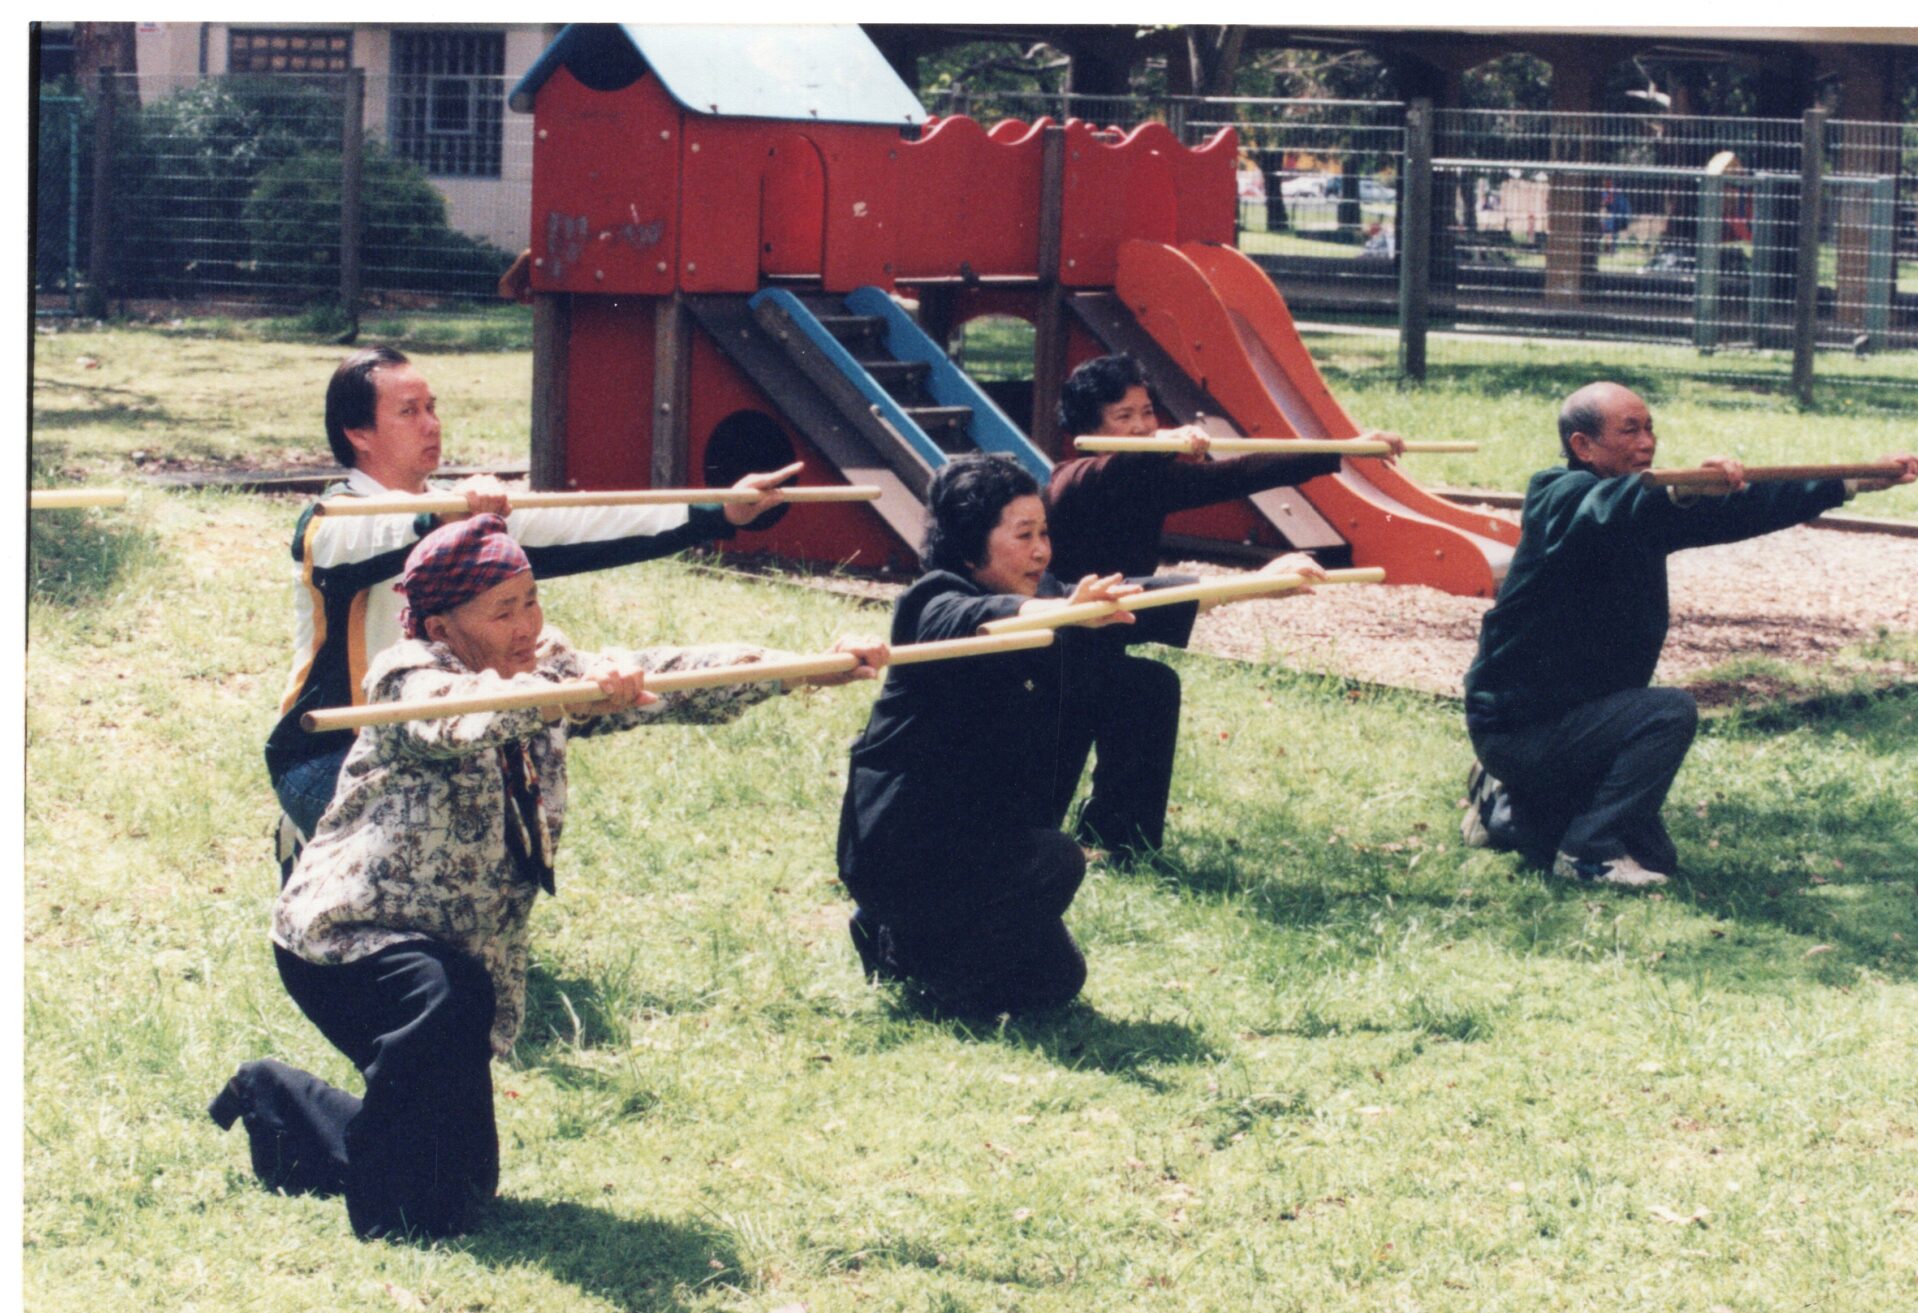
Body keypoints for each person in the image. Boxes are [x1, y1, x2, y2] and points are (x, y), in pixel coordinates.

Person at [213, 514, 883, 1240]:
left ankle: (277, 1101)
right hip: (344, 939)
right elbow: (463, 720)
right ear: (441, 626)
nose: (526, 624)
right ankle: (391, 1222)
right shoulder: (405, 677)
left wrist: (805, 667)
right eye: (502, 611)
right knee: (444, 1015)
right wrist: (561, 695)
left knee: (462, 1175)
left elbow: (675, 675)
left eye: (530, 601)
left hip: (452, 947)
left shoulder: (546, 668)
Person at [267, 346, 796, 863]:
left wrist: (719, 511)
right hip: (329, 754)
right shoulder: (331, 523)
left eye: (432, 407)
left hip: (438, 739)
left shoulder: (462, 519)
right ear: (358, 434)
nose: (431, 425)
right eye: (409, 412)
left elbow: (584, 523)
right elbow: (382, 530)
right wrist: (443, 516)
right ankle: (311, 848)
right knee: (425, 841)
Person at [837, 455, 1313, 1017]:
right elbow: (992, 615)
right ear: (969, 544)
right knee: (1055, 860)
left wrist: (1260, 584)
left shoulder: (1053, 597)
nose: (1042, 550)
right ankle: (926, 965)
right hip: (902, 848)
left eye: (1044, 533)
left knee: (1056, 981)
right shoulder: (932, 603)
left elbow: (1141, 598)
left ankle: (895, 940)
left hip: (974, 839)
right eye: (1023, 536)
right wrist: (1060, 610)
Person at [1459, 381, 1918, 886]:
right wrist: (1681, 489)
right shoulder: (1559, 497)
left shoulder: (1646, 511)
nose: (1647, 442)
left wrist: (1849, 482)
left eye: (1650, 428)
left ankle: (1504, 803)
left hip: (1580, 723)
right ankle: (1585, 853)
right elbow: (1607, 507)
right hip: (1520, 724)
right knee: (1667, 712)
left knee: (1655, 857)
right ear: (1583, 446)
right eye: (1630, 430)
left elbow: (1742, 508)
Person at [1044, 354, 1380, 861]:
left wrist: (1343, 451)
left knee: (1149, 688)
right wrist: (1162, 445)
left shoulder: (1150, 482)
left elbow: (1238, 474)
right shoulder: (1072, 480)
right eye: (1124, 416)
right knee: (1056, 760)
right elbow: (1108, 472)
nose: (1142, 425)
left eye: (1147, 412)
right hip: (1049, 652)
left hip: (1105, 640)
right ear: (1088, 431)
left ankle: (1115, 840)